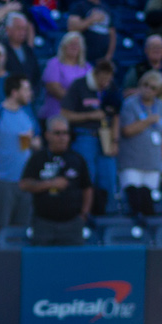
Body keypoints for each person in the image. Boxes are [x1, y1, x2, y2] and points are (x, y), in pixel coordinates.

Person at [19, 115, 92, 245]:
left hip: (72, 224)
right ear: (47, 135)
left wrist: (84, 214)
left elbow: (87, 188)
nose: (62, 137)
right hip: (44, 224)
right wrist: (50, 184)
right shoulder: (38, 158)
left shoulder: (77, 159)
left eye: (65, 133)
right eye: (57, 133)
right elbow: (24, 184)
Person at [0, 73, 38, 236]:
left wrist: (31, 140)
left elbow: (38, 142)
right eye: (26, 90)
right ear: (14, 92)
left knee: (23, 226)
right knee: (1, 225)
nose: (29, 94)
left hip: (25, 180)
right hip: (3, 179)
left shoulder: (28, 112)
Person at [61, 60, 122, 215]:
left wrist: (115, 141)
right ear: (95, 74)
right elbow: (65, 114)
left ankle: (105, 213)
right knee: (88, 177)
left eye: (108, 79)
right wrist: (89, 115)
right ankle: (84, 213)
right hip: (85, 136)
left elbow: (116, 116)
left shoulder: (111, 87)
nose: (105, 83)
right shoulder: (79, 85)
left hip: (106, 138)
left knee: (108, 177)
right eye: (102, 79)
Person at [118, 70, 162, 216]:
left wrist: (161, 156)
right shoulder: (130, 104)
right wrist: (148, 121)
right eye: (145, 85)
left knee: (148, 204)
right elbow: (126, 130)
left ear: (158, 91)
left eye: (153, 87)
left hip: (152, 162)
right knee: (134, 202)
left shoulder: (160, 106)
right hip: (132, 162)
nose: (148, 89)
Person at [41, 32, 91, 121]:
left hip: (82, 113)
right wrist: (79, 101)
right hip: (57, 113)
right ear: (64, 46)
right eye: (71, 43)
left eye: (77, 44)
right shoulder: (54, 64)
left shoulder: (87, 67)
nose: (74, 46)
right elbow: (54, 89)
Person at [66, 0, 116, 65]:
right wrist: (91, 20)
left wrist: (109, 56)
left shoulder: (107, 8)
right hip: (83, 58)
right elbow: (72, 28)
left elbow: (112, 34)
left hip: (102, 59)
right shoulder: (78, 6)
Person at [123, 34, 162, 100]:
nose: (156, 50)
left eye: (159, 47)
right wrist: (149, 91)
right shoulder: (137, 69)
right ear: (146, 50)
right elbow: (125, 93)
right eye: (153, 47)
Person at [3, 13, 40, 91]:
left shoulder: (29, 51)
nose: (22, 32)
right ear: (8, 30)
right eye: (18, 28)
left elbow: (36, 76)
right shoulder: (1, 50)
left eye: (24, 29)